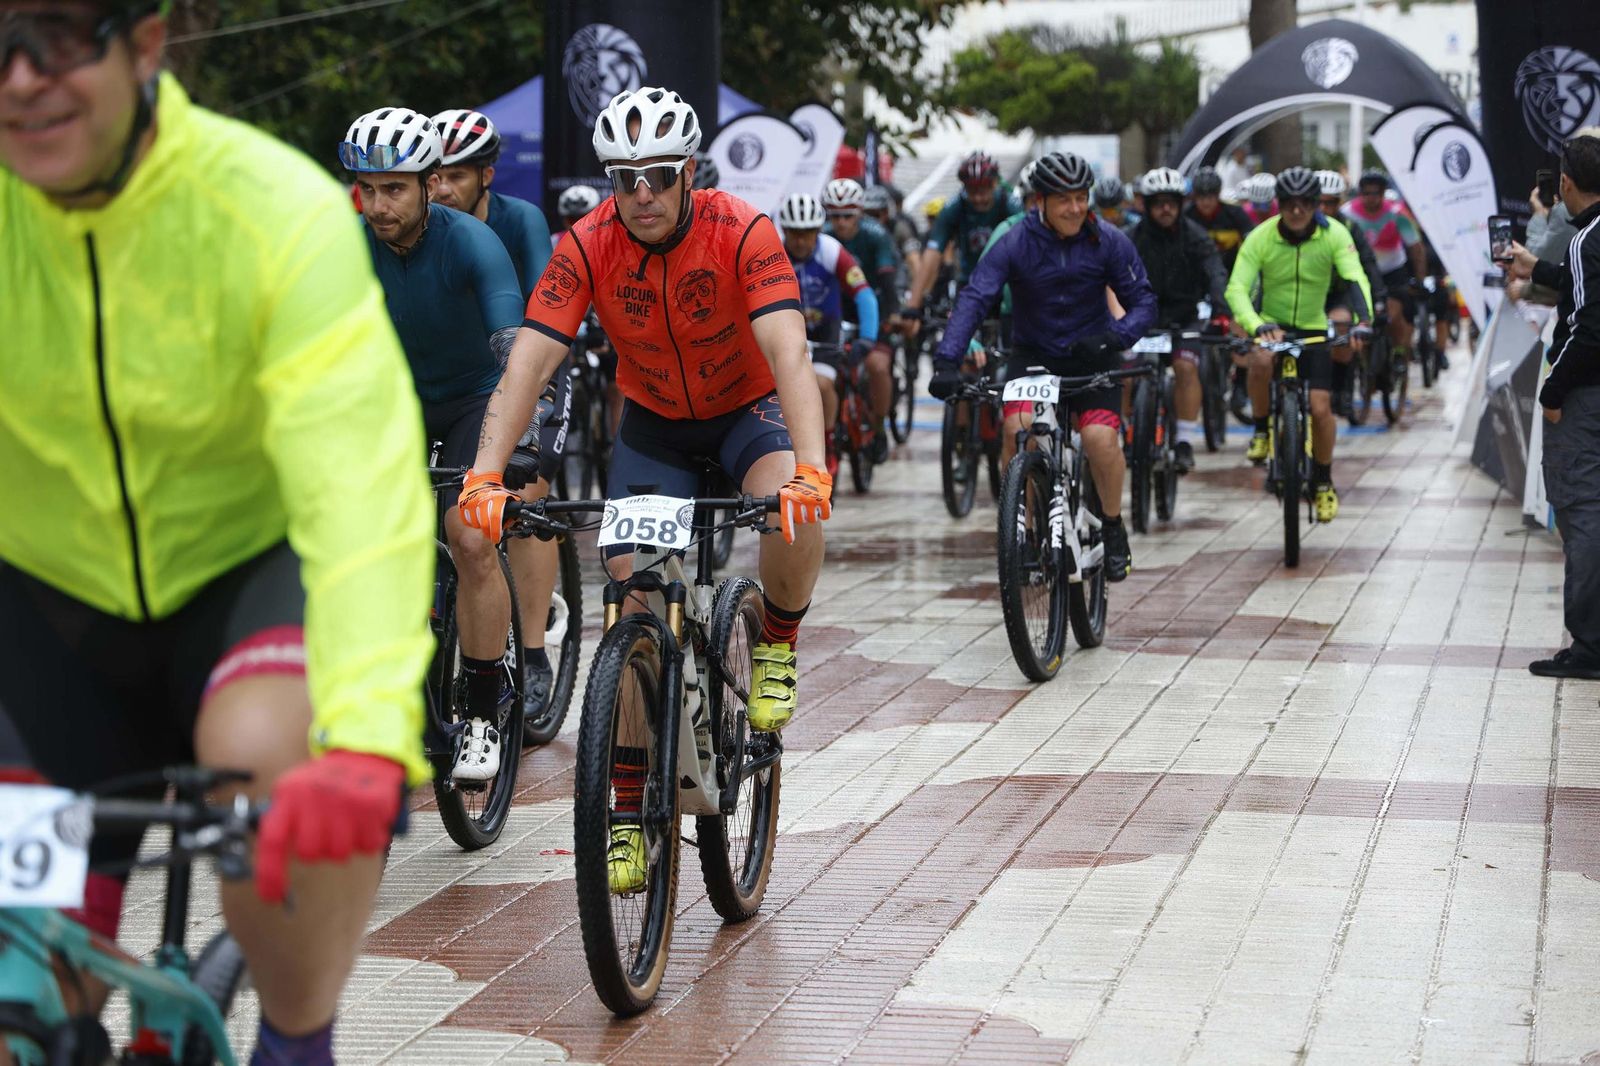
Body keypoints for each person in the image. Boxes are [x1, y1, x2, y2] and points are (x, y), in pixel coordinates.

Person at [0, 3, 431, 1062]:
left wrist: (368, 732)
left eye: (58, 34)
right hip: (48, 609)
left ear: (145, 44)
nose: (19, 77)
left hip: (240, 585)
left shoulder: (270, 208)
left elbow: (356, 481)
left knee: (272, 765)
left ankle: (296, 1040)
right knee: (21, 1000)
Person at [454, 87, 830, 889]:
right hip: (655, 428)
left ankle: (776, 644)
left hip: (747, 412)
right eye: (625, 179)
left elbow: (789, 352)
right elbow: (530, 361)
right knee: (635, 606)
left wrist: (811, 466)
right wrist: (485, 475)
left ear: (689, 172)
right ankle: (627, 812)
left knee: (790, 514)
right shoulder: (587, 243)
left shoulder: (743, 230)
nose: (643, 193)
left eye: (658, 175)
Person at [345, 107, 563, 774]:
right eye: (367, 190)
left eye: (394, 189)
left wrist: (523, 433)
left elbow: (511, 345)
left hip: (478, 400)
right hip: (399, 402)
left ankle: (481, 713)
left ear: (430, 182)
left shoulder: (472, 241)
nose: (378, 206)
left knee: (470, 534)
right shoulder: (347, 245)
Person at [930, 151, 1158, 581]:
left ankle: (1113, 526)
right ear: (1041, 201)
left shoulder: (1108, 240)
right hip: (1034, 357)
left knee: (1099, 439)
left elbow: (1144, 302)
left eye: (1081, 197)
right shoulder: (1015, 241)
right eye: (1064, 199)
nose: (1075, 208)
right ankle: (1026, 532)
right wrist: (947, 359)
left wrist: (1115, 337)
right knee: (1017, 432)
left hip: (1094, 355)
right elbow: (975, 298)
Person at [1503, 133, 1600, 679]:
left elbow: (1589, 328)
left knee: (1583, 514)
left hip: (1586, 400)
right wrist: (1535, 267)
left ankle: (1590, 648)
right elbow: (1583, 287)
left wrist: (1553, 391)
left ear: (1565, 183)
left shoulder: (1587, 240)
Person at [1226, 167, 1373, 523]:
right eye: (1289, 203)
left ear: (1315, 204)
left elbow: (1355, 277)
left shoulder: (1334, 234)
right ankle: (1261, 429)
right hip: (1272, 325)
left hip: (1312, 327)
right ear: (1278, 204)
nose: (1296, 210)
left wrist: (1364, 320)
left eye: (1305, 203)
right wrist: (1256, 324)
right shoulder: (1260, 236)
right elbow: (1237, 288)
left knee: (1320, 410)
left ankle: (1323, 480)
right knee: (1260, 361)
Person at [1127, 167, 1230, 472]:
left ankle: (1184, 440)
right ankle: (1126, 429)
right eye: (1158, 203)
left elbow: (1215, 272)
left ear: (1181, 204)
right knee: (1125, 372)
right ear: (1147, 205)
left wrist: (1222, 310)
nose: (1166, 209)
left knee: (1186, 368)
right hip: (1140, 319)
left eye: (1171, 202)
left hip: (1184, 319)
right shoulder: (1130, 238)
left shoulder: (1196, 237)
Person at [782, 192, 882, 472]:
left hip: (827, 328)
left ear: (818, 230)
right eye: (794, 233)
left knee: (822, 384)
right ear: (785, 231)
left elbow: (864, 294)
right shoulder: (775, 253)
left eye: (807, 233)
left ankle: (826, 443)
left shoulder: (832, 251)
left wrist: (868, 338)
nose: (800, 241)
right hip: (791, 329)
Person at [431, 108, 551, 302]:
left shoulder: (521, 217)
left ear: (486, 177)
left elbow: (545, 301)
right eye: (435, 177)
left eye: (457, 177)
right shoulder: (413, 223)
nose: (443, 190)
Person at [822, 178, 897, 456]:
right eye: (835, 216)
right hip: (836, 313)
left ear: (860, 213)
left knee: (877, 366)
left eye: (848, 216)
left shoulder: (876, 234)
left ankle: (878, 426)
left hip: (873, 308)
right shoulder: (823, 237)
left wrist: (892, 315)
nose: (841, 223)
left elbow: (887, 282)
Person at [905, 151, 1014, 321]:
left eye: (983, 191)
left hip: (1007, 282)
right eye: (972, 191)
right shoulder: (955, 207)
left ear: (994, 184)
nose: (978, 198)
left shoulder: (1009, 202)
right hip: (970, 282)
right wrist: (913, 305)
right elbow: (932, 253)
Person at [1341, 170, 1428, 374]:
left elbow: (1416, 249)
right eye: (1366, 193)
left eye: (1376, 193)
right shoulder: (1347, 214)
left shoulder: (1397, 214)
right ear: (1360, 194)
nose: (1371, 198)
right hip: (1361, 271)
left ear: (1383, 194)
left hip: (1392, 270)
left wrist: (1419, 279)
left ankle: (1398, 351)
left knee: (1392, 314)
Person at [1316, 170, 1387, 415]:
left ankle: (1342, 387)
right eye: (1319, 202)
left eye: (1331, 203)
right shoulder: (1300, 226)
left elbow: (1367, 264)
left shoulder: (1349, 228)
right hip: (1309, 293)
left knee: (1341, 325)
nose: (1324, 208)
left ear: (1340, 202)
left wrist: (1378, 298)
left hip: (1340, 292)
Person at [1186, 166, 1254, 270]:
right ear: (1194, 197)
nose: (1206, 202)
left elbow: (1251, 242)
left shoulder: (1235, 214)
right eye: (1201, 197)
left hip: (1232, 271)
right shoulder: (1187, 215)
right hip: (1195, 272)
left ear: (1218, 195)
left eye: (1210, 197)